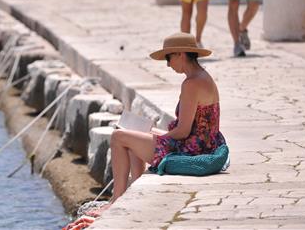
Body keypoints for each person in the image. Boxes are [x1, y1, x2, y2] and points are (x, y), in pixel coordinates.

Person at [64, 33, 227, 227]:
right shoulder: (201, 77)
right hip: (201, 143)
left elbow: (182, 132)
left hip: (192, 150)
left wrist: (161, 137)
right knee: (135, 132)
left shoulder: (191, 84)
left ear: (181, 54)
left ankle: (116, 200)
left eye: (169, 58)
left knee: (118, 137)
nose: (168, 65)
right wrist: (154, 135)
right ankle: (135, 186)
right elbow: (190, 128)